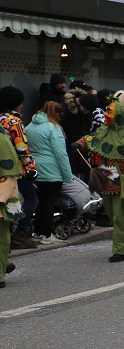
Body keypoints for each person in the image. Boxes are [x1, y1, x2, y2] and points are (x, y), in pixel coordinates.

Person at [78, 95, 124, 262]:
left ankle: (120, 250)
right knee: (113, 215)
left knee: (120, 216)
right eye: (106, 111)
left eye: (110, 111)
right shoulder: (105, 130)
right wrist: (79, 143)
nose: (106, 115)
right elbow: (92, 138)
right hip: (107, 181)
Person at [23, 100, 73, 244]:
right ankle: (46, 234)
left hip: (34, 168)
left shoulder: (29, 126)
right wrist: (68, 175)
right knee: (49, 202)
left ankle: (38, 232)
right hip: (52, 169)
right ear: (57, 114)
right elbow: (60, 153)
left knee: (40, 201)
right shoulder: (53, 128)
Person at [0, 86, 38, 250]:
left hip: (2, 168)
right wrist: (31, 168)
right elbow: (21, 147)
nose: (21, 106)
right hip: (16, 168)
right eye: (20, 103)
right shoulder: (14, 122)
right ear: (14, 103)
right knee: (32, 198)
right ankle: (20, 232)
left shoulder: (0, 120)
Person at [0, 126, 24, 288]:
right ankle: (5, 262)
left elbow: (8, 173)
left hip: (2, 196)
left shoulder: (2, 141)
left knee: (1, 236)